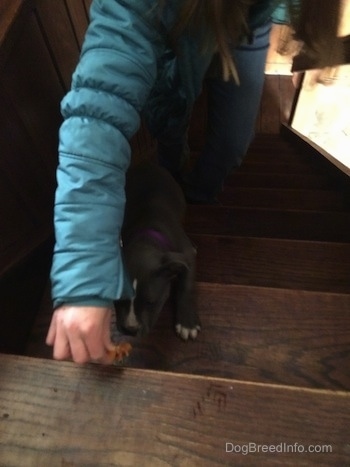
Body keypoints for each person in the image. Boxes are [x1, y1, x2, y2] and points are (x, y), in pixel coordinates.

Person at [46, 0, 339, 364]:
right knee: (170, 117)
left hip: (248, 24)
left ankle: (196, 193)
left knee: (233, 142)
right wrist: (86, 271)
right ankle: (174, 165)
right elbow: (98, 104)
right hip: (179, 23)